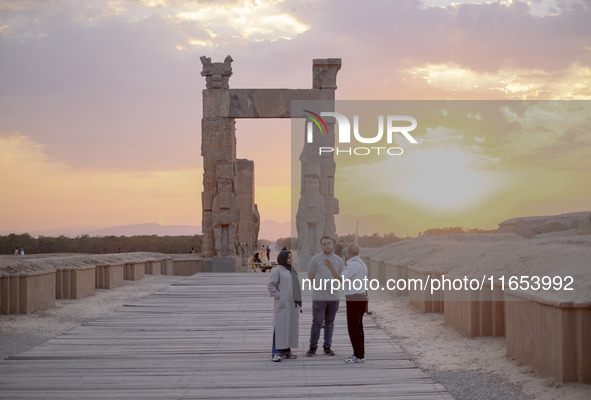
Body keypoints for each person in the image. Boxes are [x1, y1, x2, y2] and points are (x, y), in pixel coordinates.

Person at [324, 243, 368, 363]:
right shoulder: (362, 264)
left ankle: (357, 355)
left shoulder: (353, 265)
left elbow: (341, 279)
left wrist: (331, 268)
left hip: (354, 298)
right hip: (361, 297)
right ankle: (360, 354)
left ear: (348, 253)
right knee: (359, 328)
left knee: (354, 328)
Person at [305, 236, 345, 357]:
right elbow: (310, 276)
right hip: (319, 297)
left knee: (330, 323)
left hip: (333, 297)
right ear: (321, 246)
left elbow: (341, 279)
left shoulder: (339, 260)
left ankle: (327, 347)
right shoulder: (316, 259)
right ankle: (312, 348)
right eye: (324, 244)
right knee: (317, 322)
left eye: (328, 243)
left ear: (333, 244)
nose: (327, 246)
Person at [267, 250, 301, 362]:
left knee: (290, 327)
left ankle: (287, 351)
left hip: (292, 304)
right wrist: (279, 296)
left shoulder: (292, 270)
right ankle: (276, 352)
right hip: (282, 304)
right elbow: (271, 286)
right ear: (283, 259)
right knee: (280, 327)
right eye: (288, 257)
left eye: (291, 257)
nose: (291, 259)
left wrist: (298, 302)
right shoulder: (277, 270)